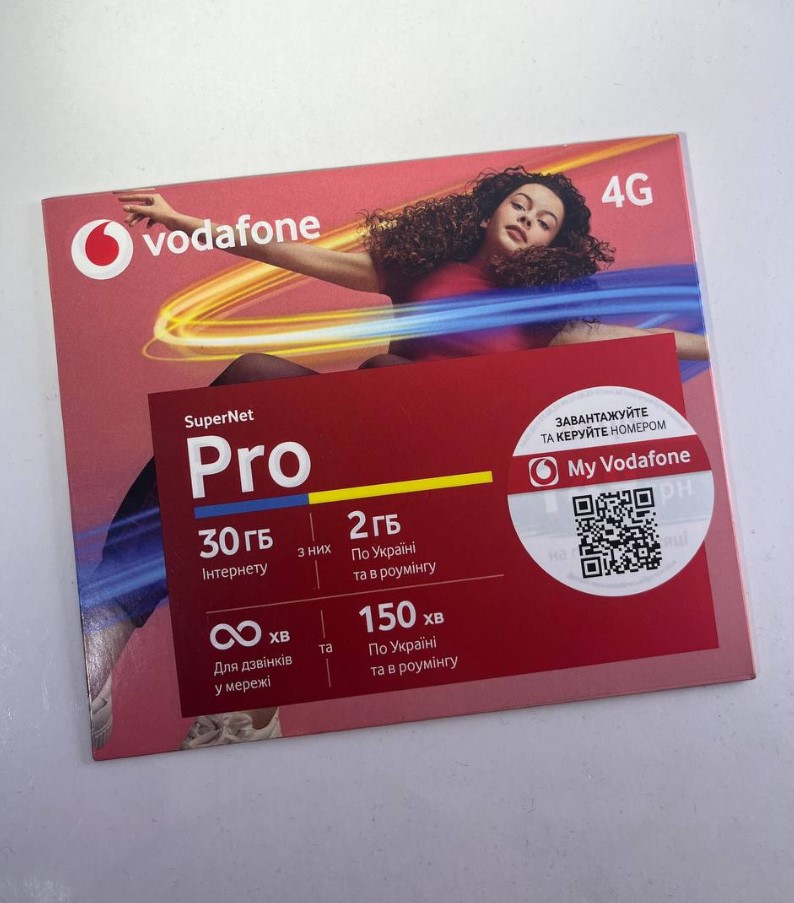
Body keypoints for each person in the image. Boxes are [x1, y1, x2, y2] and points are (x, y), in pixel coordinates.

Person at [86, 168, 708, 750]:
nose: (527, 218)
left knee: (385, 368)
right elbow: (289, 253)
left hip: (441, 477)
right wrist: (184, 222)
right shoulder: (419, 269)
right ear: (487, 212)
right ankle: (122, 637)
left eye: (545, 220)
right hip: (364, 439)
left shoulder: (546, 320)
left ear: (555, 246)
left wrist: (729, 334)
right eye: (519, 204)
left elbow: (649, 340)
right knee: (247, 383)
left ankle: (248, 705)